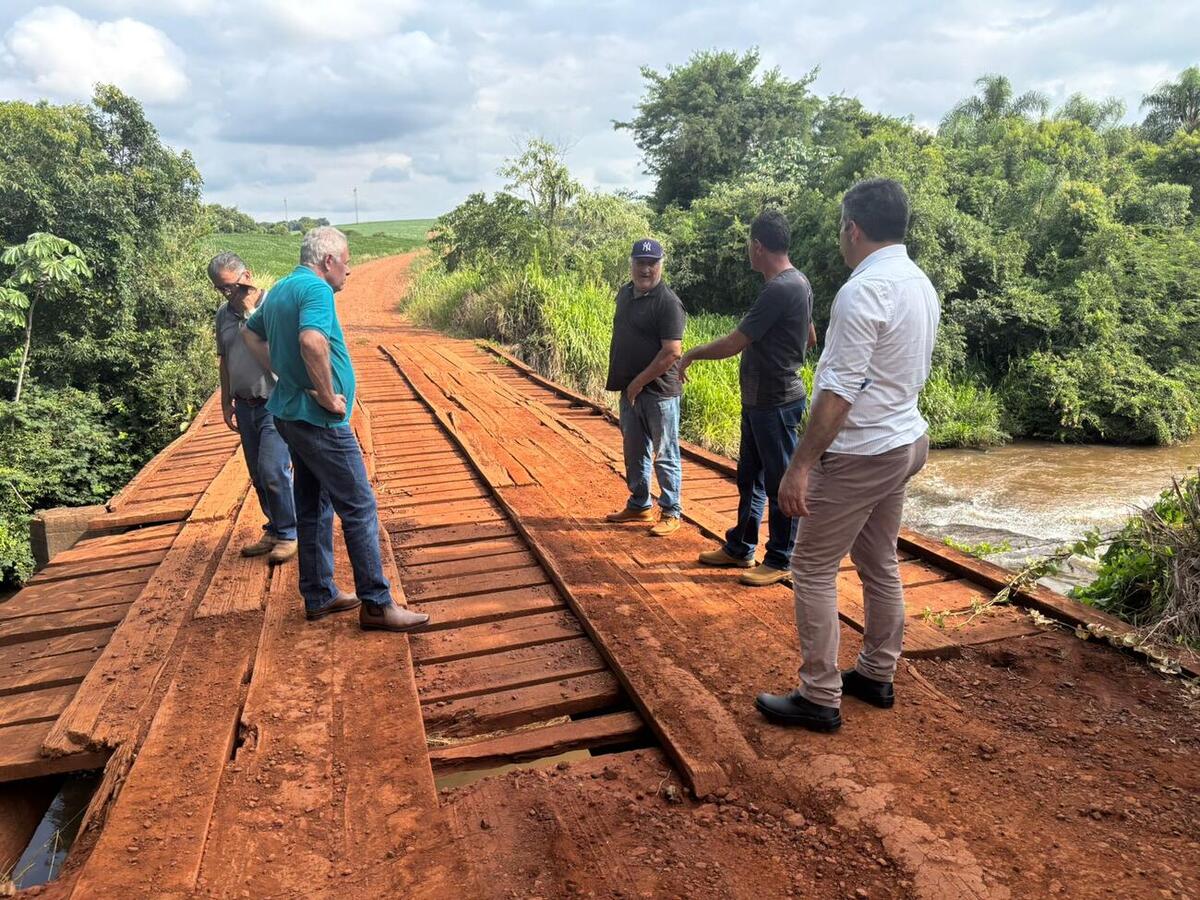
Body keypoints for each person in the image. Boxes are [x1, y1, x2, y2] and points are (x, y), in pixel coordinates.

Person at [755, 178, 939, 732]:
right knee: (879, 561)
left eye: (841, 228)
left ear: (853, 229)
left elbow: (838, 394)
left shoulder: (863, 291)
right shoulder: (919, 283)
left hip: (862, 451)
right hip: (906, 441)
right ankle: (877, 673)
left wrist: (800, 466)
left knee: (810, 566)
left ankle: (819, 695)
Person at [242, 227, 429, 631]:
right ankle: (377, 604)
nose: (349, 269)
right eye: (346, 261)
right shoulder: (316, 290)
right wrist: (327, 396)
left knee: (313, 505)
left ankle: (318, 593)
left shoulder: (281, 289)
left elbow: (249, 332)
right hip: (319, 419)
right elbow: (312, 341)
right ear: (328, 261)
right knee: (359, 507)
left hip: (289, 414)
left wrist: (281, 372)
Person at [680, 210, 817, 587]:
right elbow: (811, 338)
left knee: (778, 481)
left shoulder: (780, 288)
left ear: (758, 246)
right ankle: (741, 547)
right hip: (762, 401)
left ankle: (780, 557)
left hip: (775, 401)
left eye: (748, 245)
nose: (748, 251)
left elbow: (734, 343)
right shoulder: (798, 282)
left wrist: (691, 354)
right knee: (750, 478)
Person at [208, 253, 298, 564]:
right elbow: (225, 359)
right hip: (244, 404)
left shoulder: (272, 306)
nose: (227, 294)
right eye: (220, 289)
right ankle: (274, 528)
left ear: (248, 275)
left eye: (231, 286)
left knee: (273, 469)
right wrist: (225, 401)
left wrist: (248, 313)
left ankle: (289, 533)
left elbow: (282, 352)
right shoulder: (223, 315)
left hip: (275, 401)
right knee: (257, 473)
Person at [603, 238, 686, 537]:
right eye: (640, 262)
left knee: (664, 452)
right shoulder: (625, 293)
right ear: (632, 264)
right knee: (634, 449)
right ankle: (639, 504)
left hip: (659, 392)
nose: (646, 269)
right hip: (629, 390)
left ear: (661, 265)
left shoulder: (668, 303)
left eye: (652, 263)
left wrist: (639, 381)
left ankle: (671, 510)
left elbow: (672, 351)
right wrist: (628, 383)